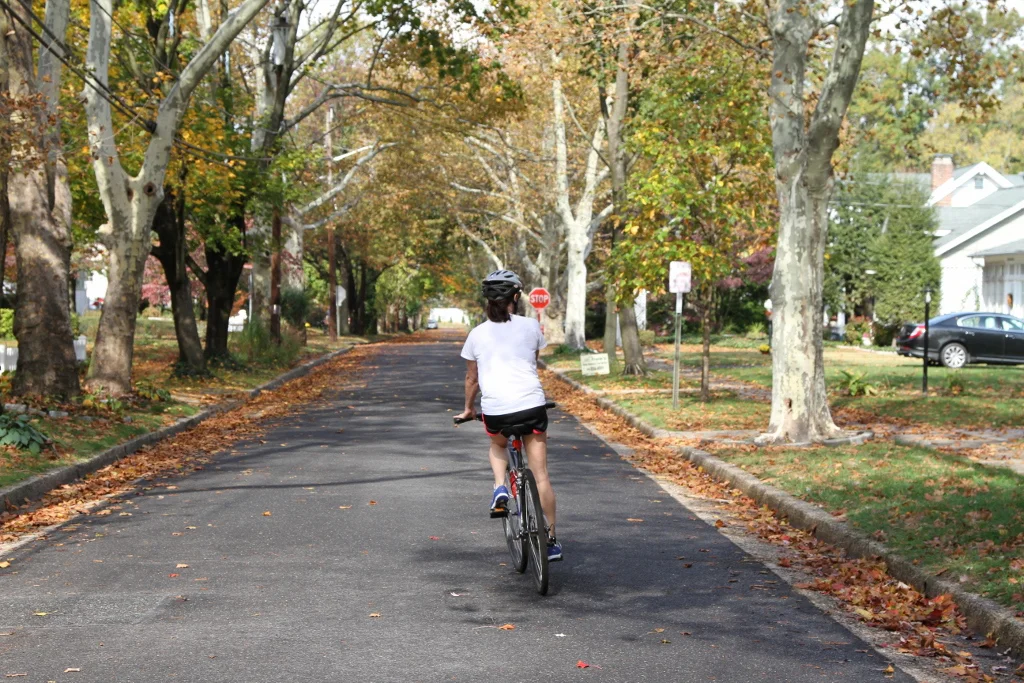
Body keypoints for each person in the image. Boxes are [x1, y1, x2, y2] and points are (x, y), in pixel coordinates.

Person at [455, 269, 562, 562]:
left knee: (498, 444)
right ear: (516, 297)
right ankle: (551, 540)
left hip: (497, 411)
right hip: (531, 406)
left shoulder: (476, 334)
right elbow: (533, 361)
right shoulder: (530, 327)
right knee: (541, 476)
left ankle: (500, 487)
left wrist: (468, 410)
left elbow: (472, 379)